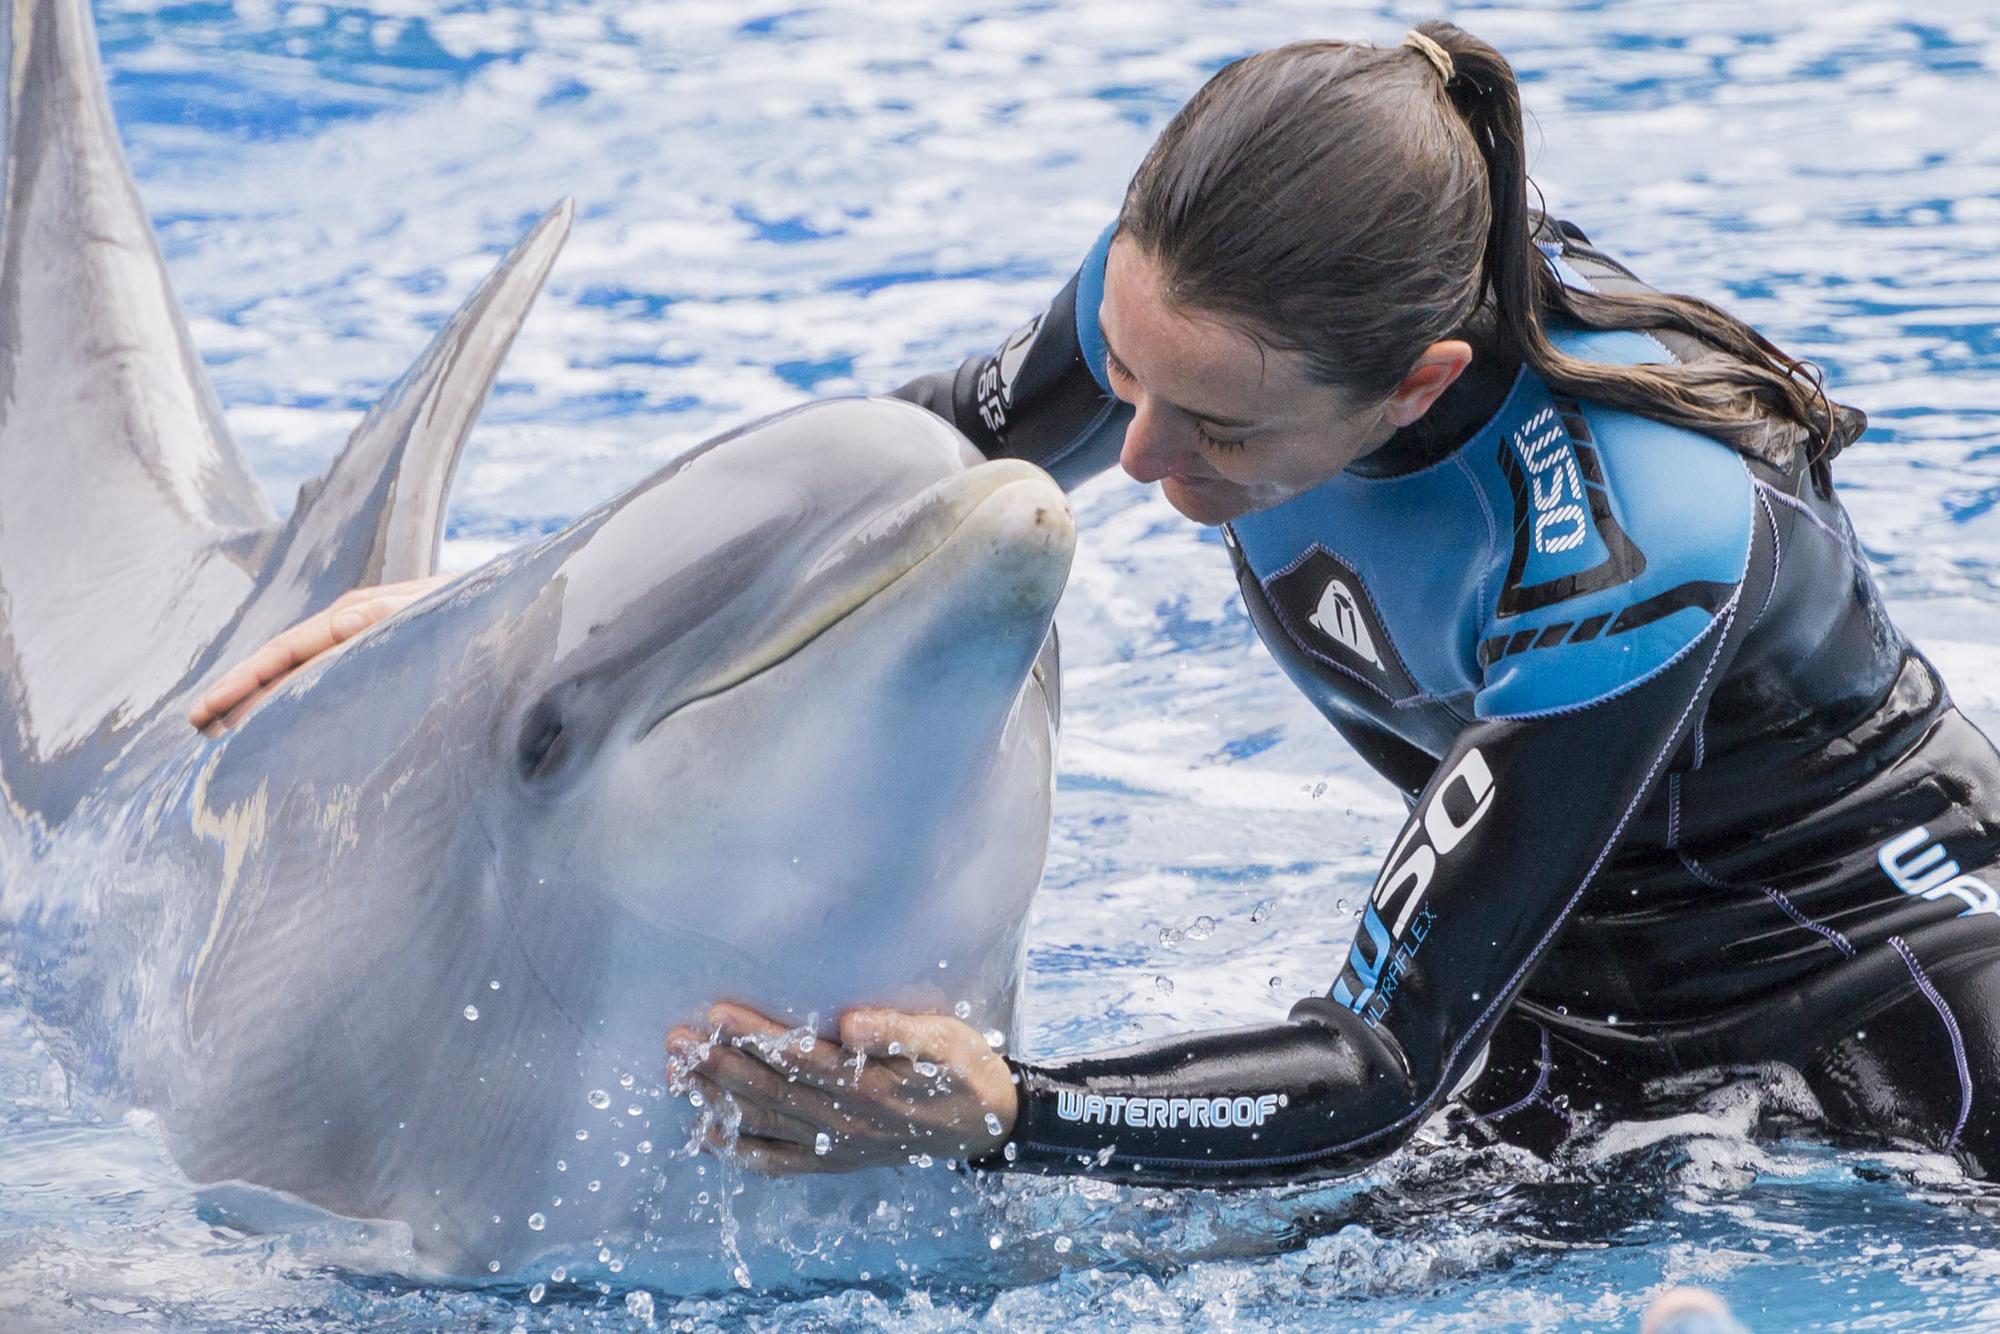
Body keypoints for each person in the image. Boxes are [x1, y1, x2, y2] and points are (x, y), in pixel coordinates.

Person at [194, 22, 2000, 1186]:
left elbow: (1375, 1061)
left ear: (1415, 384)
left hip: (1887, 1041)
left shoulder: (1625, 542)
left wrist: (1016, 1109)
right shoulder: (1213, 301)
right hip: (1559, 998)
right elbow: (891, 474)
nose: (1129, 455)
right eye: (1117, 368)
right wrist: (499, 602)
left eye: (1210, 425)